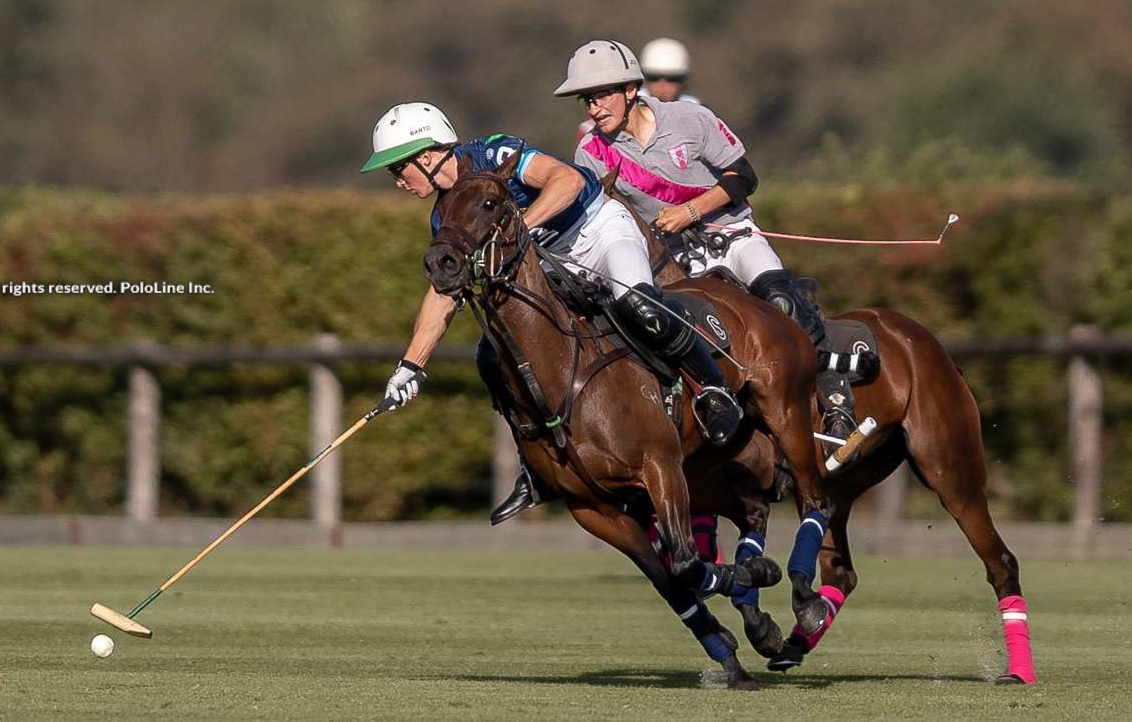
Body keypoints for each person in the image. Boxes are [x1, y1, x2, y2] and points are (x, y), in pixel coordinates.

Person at [361, 101, 744, 526]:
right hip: (550, 257)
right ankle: (535, 468)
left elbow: (565, 180)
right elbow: (443, 293)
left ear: (428, 155)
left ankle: (713, 390)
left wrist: (521, 226)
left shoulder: (494, 154)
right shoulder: (445, 216)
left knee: (641, 306)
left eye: (398, 169)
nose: (397, 182)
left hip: (599, 229)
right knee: (493, 356)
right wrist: (411, 366)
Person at [557, 40, 859, 444]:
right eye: (587, 101)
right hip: (675, 260)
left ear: (630, 90)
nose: (594, 109)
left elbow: (743, 177)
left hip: (731, 236)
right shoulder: (590, 152)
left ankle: (834, 392)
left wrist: (691, 212)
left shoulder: (689, 118)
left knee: (781, 300)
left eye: (601, 96)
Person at [575, 37, 703, 142]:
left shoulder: (700, 115)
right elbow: (586, 131)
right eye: (654, 77)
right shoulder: (624, 104)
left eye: (673, 78)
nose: (662, 85)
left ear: (684, 80)